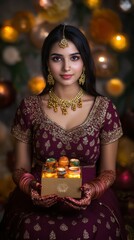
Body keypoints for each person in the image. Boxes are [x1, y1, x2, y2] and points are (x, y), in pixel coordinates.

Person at [0, 24, 127, 240]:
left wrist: (91, 191)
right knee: (28, 227)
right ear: (47, 63)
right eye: (57, 58)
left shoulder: (104, 108)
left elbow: (108, 172)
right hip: (37, 199)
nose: (66, 67)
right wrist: (32, 187)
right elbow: (20, 168)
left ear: (85, 61)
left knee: (96, 227)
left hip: (92, 202)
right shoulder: (30, 107)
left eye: (74, 58)